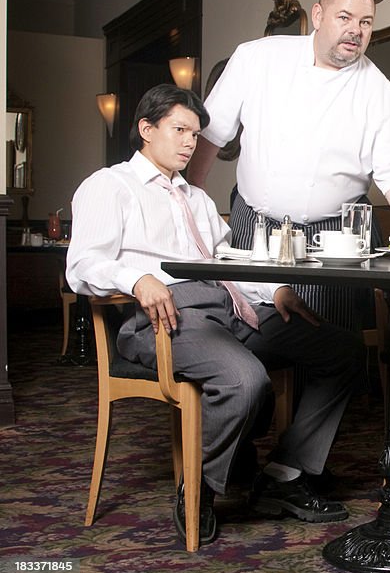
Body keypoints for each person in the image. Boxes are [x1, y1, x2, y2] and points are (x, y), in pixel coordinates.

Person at [66, 85, 365, 548]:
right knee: (246, 381)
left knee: (341, 348)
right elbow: (82, 266)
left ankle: (285, 472)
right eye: (180, 130)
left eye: (195, 133)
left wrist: (276, 290)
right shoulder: (109, 186)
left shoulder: (198, 199)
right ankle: (199, 486)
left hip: (229, 310)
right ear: (146, 130)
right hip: (164, 316)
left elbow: (226, 260)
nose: (191, 142)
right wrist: (136, 280)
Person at [186, 0, 390, 331]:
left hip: (335, 236)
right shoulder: (257, 58)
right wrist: (190, 199)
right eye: (344, 17)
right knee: (253, 333)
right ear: (317, 16)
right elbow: (212, 134)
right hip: (255, 223)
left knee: (334, 339)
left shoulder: (384, 98)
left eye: (365, 22)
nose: (355, 31)